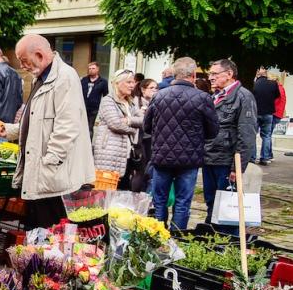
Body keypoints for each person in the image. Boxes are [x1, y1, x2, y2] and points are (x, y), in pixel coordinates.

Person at [0, 34, 94, 229]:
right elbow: (37, 121)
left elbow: (67, 125)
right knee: (37, 232)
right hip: (41, 173)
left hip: (53, 176)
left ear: (39, 54)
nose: (23, 66)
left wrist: (50, 160)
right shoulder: (40, 78)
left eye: (24, 61)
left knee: (50, 232)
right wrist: (11, 130)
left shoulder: (65, 77)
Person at [142, 57, 219, 231]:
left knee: (159, 200)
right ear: (193, 75)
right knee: (183, 201)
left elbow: (147, 126)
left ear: (175, 74)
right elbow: (213, 131)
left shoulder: (159, 96)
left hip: (162, 156)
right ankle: (178, 237)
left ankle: (157, 238)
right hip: (189, 158)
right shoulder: (203, 97)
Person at [202, 58, 257, 233]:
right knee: (211, 201)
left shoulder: (243, 97)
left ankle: (227, 242)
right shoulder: (215, 96)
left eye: (214, 74)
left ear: (229, 74)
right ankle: (212, 237)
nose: (210, 77)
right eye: (210, 74)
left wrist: (237, 168)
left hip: (226, 161)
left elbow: (247, 134)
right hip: (209, 158)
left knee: (226, 206)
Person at [92, 69, 144, 190]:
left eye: (133, 82)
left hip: (126, 153)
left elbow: (144, 120)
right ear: (117, 83)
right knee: (106, 191)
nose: (132, 85)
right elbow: (115, 124)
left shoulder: (130, 102)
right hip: (109, 153)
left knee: (123, 189)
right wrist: (132, 130)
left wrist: (129, 120)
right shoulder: (108, 101)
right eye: (129, 82)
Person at [252, 67, 280, 165]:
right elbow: (277, 95)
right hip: (268, 113)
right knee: (267, 136)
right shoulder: (273, 84)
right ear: (266, 73)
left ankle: (252, 157)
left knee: (252, 135)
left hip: (255, 112)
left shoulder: (254, 84)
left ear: (257, 74)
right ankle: (264, 157)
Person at [81, 62, 109, 135]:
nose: (91, 70)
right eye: (89, 68)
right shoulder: (84, 80)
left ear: (97, 69)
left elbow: (106, 95)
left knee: (90, 127)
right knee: (81, 126)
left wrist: (104, 109)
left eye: (93, 68)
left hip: (94, 108)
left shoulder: (103, 82)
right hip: (82, 107)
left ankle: (89, 145)